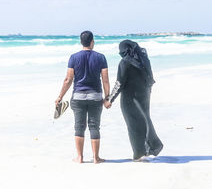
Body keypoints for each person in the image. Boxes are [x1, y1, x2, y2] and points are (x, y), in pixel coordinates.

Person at [55, 31, 111, 164]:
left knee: (79, 127)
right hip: (95, 97)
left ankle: (79, 158)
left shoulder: (73, 57)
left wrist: (60, 97)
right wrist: (107, 98)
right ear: (92, 41)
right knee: (94, 126)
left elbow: (68, 79)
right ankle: (96, 158)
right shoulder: (101, 57)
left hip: (78, 97)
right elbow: (105, 80)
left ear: (81, 42)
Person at [105, 40, 163, 161]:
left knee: (133, 126)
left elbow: (119, 83)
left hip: (129, 99)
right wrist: (147, 93)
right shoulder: (144, 60)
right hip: (144, 96)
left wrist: (110, 99)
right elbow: (150, 78)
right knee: (144, 121)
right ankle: (150, 147)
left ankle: (138, 154)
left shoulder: (125, 62)